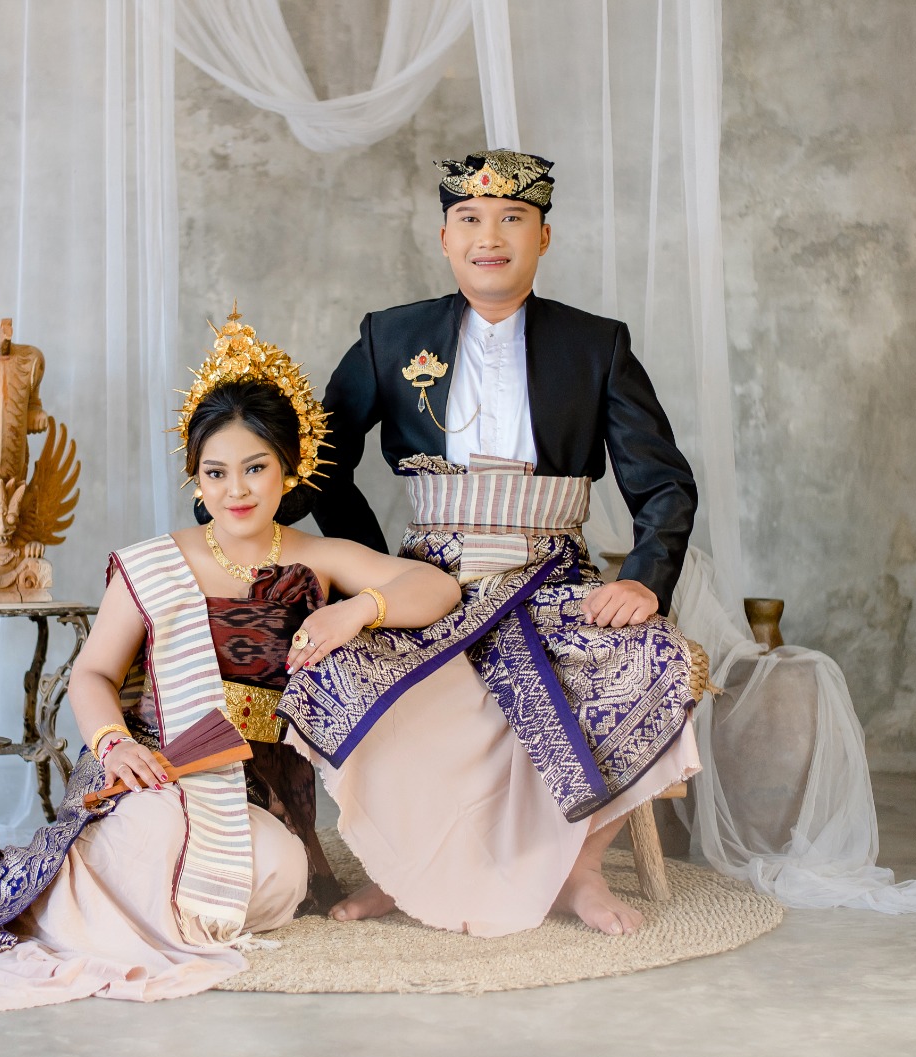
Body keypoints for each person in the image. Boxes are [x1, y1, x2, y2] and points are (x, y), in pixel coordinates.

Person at [0, 311, 459, 1017]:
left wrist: (354, 610)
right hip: (153, 767)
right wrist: (111, 746)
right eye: (215, 472)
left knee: (280, 872)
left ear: (289, 470)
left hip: (254, 784)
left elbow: (437, 589)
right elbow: (93, 675)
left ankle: (143, 904)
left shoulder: (318, 556)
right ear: (195, 477)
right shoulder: (156, 562)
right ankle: (93, 902)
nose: (235, 490)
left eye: (255, 468)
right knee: (168, 841)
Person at [289, 148, 707, 937]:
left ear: (543, 236)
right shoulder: (390, 336)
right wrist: (372, 571)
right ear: (445, 237)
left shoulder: (597, 345)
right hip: (429, 582)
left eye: (513, 218)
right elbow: (318, 467)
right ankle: (401, 868)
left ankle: (580, 871)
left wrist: (643, 578)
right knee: (335, 668)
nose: (491, 236)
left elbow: (662, 483)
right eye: (470, 218)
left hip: (554, 578)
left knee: (658, 658)